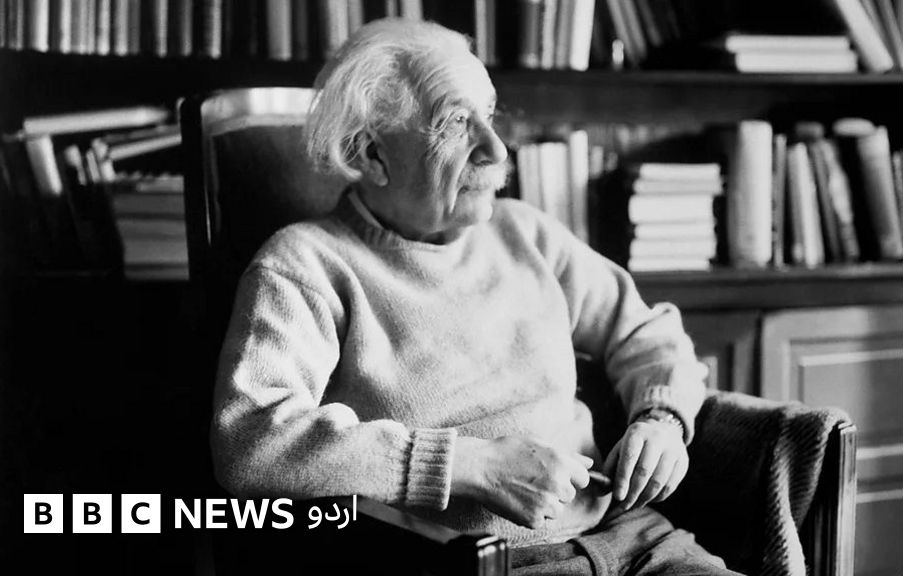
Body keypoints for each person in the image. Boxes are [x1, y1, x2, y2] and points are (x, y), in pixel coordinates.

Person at [211, 17, 740, 576]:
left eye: (488, 114)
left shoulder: (525, 233)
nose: (496, 148)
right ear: (370, 153)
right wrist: (470, 465)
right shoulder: (305, 264)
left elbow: (643, 331)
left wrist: (661, 418)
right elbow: (252, 442)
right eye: (456, 123)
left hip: (635, 535)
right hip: (488, 564)